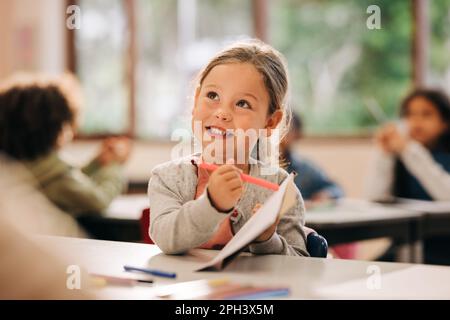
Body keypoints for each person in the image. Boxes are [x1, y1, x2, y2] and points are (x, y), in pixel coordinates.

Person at [148, 40, 309, 256]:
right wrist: (212, 205)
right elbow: (166, 238)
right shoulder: (167, 178)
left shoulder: (279, 189)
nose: (222, 113)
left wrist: (266, 240)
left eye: (242, 103)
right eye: (212, 96)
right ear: (196, 101)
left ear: (271, 121)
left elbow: (300, 263)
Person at [0, 73, 132, 216]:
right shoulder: (55, 175)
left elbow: (72, 178)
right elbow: (98, 200)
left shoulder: (15, 165)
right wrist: (114, 166)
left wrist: (97, 163)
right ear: (53, 127)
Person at [366, 88, 450, 264]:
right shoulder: (401, 158)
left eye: (426, 114)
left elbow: (446, 196)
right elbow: (374, 199)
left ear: (445, 122)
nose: (416, 121)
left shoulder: (416, 154)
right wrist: (384, 155)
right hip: (405, 246)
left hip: (442, 250)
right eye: (410, 114)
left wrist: (410, 151)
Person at [281, 113, 344, 207]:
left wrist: (326, 194)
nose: (281, 134)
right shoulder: (257, 165)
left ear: (298, 135)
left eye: (287, 129)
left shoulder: (305, 169)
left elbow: (336, 189)